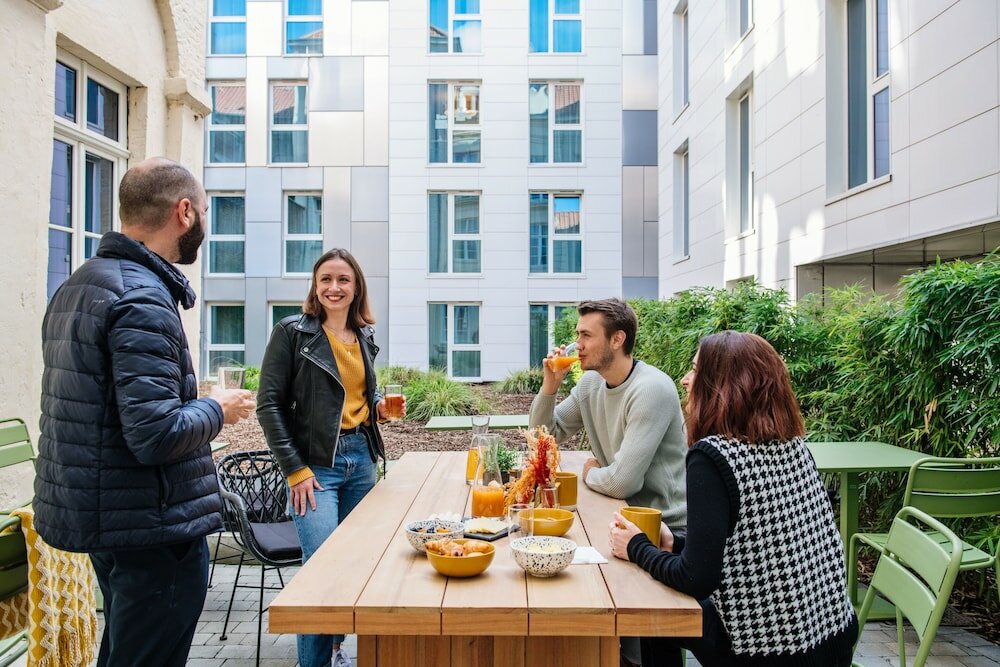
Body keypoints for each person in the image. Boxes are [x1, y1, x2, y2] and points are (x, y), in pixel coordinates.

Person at [34, 157, 256, 667]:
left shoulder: (82, 284)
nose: (205, 221)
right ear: (183, 212)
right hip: (154, 528)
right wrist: (215, 407)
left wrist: (181, 395)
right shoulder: (143, 299)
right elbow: (156, 435)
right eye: (204, 210)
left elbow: (109, 406)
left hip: (109, 520)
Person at [609, 331, 858, 667]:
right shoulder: (795, 446)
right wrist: (678, 543)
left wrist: (637, 547)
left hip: (767, 651)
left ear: (721, 385)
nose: (685, 380)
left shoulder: (712, 457)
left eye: (696, 371)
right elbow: (757, 548)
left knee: (657, 608)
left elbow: (696, 579)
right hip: (832, 639)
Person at [256, 248, 400, 667]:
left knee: (354, 566)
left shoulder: (364, 337)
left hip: (361, 461)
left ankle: (337, 650)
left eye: (343, 280)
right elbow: (269, 406)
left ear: (357, 288)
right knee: (319, 574)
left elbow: (354, 394)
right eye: (326, 280)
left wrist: (378, 406)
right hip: (316, 467)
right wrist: (295, 470)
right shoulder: (292, 333)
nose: (334, 288)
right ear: (315, 287)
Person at [529, 297, 687, 666]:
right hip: (619, 518)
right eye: (577, 335)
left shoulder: (651, 389)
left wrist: (589, 472)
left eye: (586, 335)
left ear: (617, 339)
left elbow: (620, 482)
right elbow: (542, 438)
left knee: (650, 647)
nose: (576, 345)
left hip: (664, 530)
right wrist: (549, 387)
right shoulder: (590, 386)